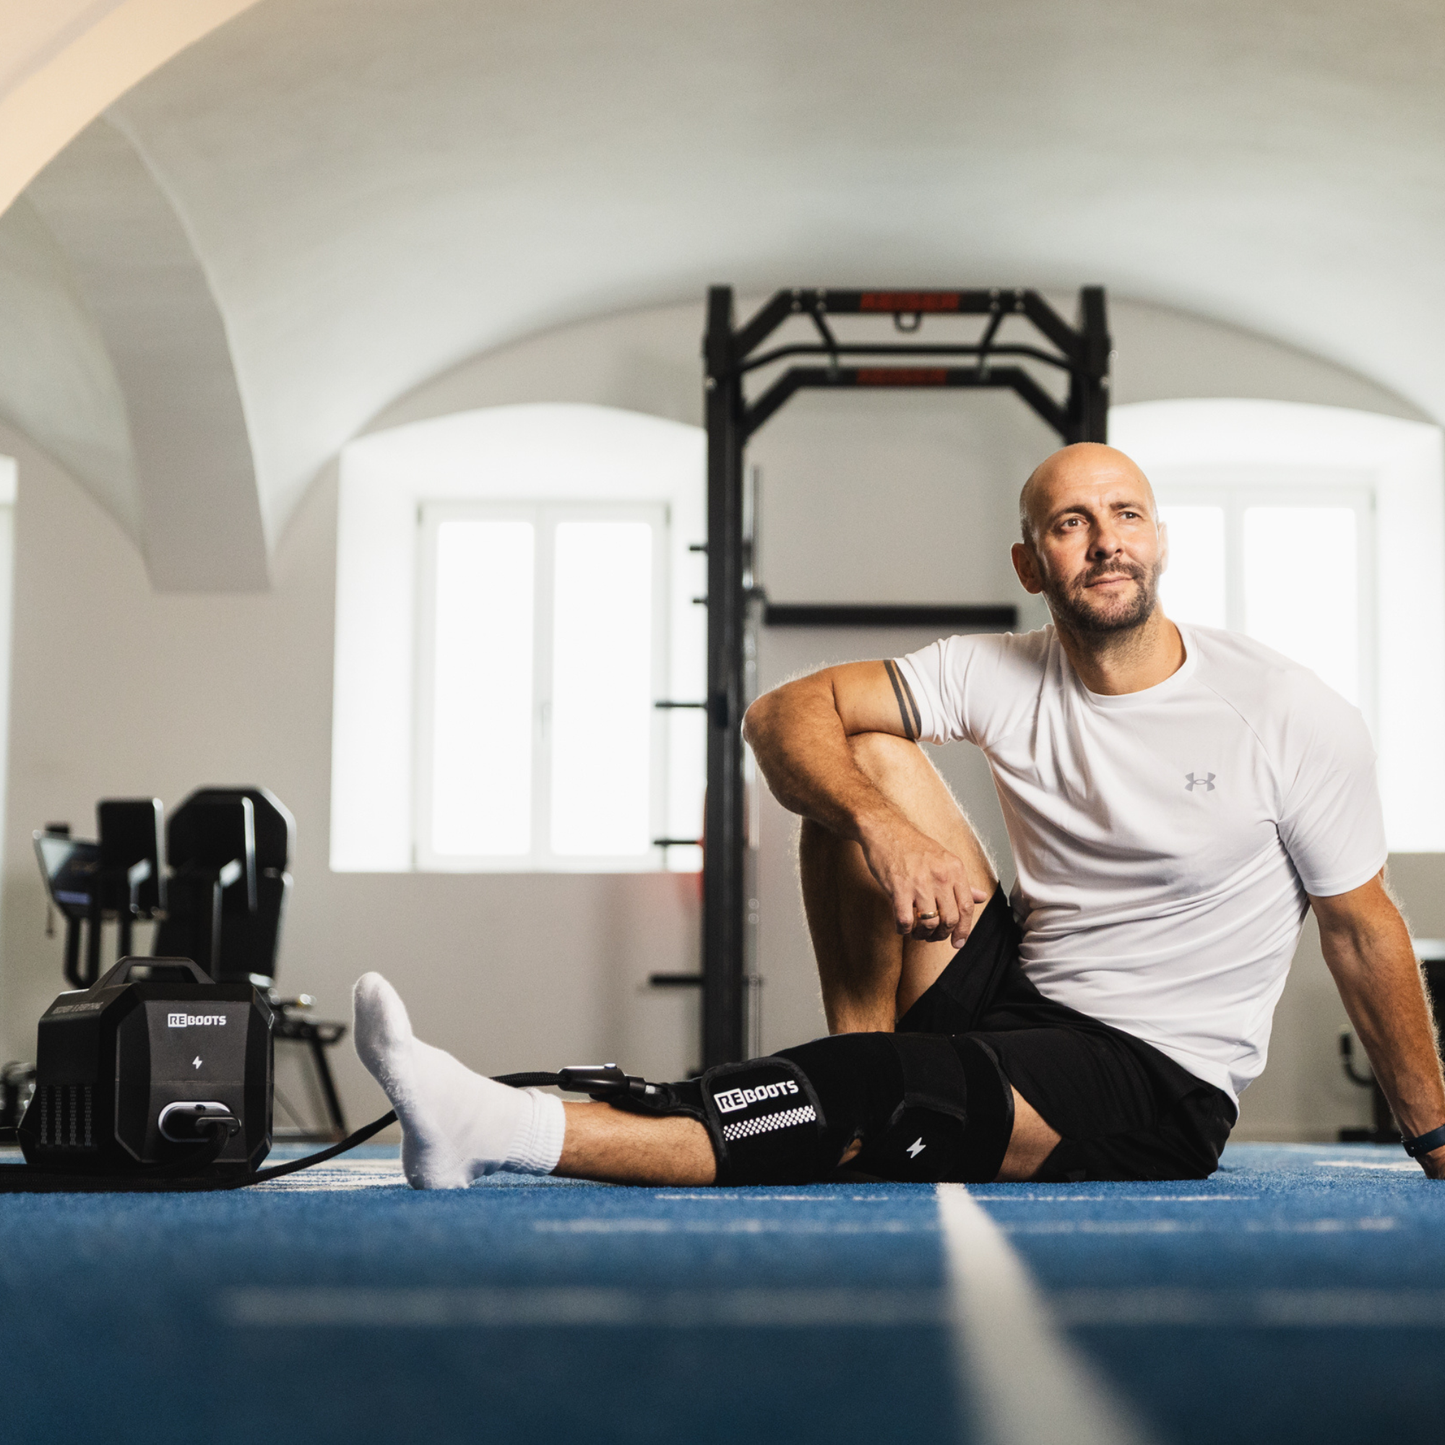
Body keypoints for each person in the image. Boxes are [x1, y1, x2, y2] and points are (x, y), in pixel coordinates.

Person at [353, 442, 1445, 1188]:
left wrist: (1433, 1132)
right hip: (1015, 994)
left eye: (1123, 514)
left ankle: (503, 1123)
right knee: (857, 750)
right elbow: (782, 717)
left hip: (1148, 1075)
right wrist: (887, 826)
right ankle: (855, 1073)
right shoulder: (1000, 669)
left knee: (882, 1091)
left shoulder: (1285, 711)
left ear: (1156, 540)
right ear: (1032, 562)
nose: (1103, 539)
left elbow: (1358, 925)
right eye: (1070, 522)